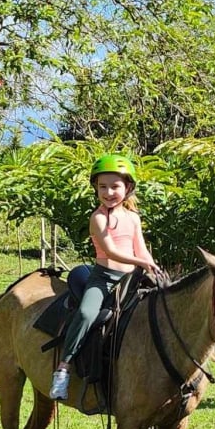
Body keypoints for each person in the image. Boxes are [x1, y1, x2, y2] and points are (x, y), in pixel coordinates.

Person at [50, 153, 158, 401]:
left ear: (128, 187)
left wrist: (151, 265)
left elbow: (140, 248)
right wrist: (141, 261)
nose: (109, 192)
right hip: (104, 277)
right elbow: (111, 251)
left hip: (132, 278)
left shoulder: (133, 218)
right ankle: (64, 369)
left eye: (115, 186)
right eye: (102, 187)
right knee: (87, 313)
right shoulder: (98, 218)